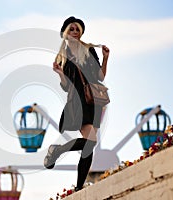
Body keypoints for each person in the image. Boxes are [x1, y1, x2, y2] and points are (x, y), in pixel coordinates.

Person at [44, 16, 110, 191]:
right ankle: (57, 151)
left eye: (77, 29)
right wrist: (59, 73)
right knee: (90, 142)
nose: (75, 32)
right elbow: (66, 87)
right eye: (71, 29)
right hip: (76, 100)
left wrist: (105, 58)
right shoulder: (62, 56)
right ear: (65, 33)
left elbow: (100, 77)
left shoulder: (88, 50)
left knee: (89, 146)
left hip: (93, 101)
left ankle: (79, 186)